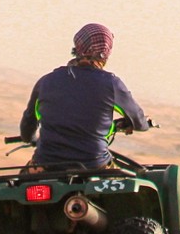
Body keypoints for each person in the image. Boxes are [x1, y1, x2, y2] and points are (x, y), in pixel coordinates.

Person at [19, 23, 149, 169]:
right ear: (107, 52)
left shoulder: (46, 82)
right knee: (127, 181)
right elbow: (139, 122)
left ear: (77, 47)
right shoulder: (111, 84)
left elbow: (27, 127)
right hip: (94, 165)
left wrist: (31, 139)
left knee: (20, 186)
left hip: (46, 164)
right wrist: (132, 123)